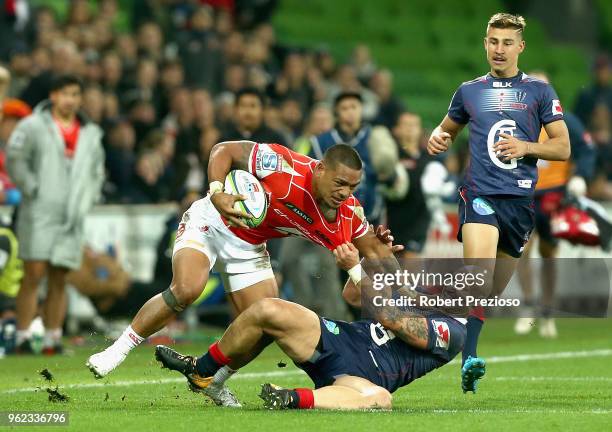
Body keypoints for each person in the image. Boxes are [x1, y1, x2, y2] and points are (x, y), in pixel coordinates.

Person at [87, 140, 398, 406]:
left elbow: (377, 252)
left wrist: (391, 260)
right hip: (212, 221)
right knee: (187, 288)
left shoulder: (345, 214)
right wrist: (217, 191)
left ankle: (214, 381)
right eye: (339, 183)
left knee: (268, 319)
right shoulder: (284, 165)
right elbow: (224, 150)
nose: (344, 192)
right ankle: (118, 348)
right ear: (320, 169)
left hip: (249, 246)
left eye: (352, 187)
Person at [426, 13, 570, 393]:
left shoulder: (540, 92)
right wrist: (436, 139)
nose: (499, 49)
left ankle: (440, 318)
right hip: (480, 195)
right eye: (493, 42)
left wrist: (526, 146)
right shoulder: (469, 90)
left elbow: (562, 146)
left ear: (520, 46)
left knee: (487, 291)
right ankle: (468, 358)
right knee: (479, 276)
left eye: (507, 43)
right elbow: (446, 130)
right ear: (485, 43)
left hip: (520, 203)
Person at [154, 242, 465, 410]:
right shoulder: (418, 295)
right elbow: (352, 295)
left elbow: (392, 319)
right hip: (336, 338)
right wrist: (376, 263)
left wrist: (357, 267)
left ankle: (292, 398)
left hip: (359, 376)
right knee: (268, 309)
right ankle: (204, 370)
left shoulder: (454, 331)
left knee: (380, 399)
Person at [7, 74, 105, 355]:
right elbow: (16, 159)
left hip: (72, 214)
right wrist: (31, 187)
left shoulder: (90, 133)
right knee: (33, 274)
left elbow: (97, 170)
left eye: (75, 94)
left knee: (60, 277)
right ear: (53, 95)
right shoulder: (33, 126)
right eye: (65, 94)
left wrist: (89, 198)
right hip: (39, 210)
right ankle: (23, 337)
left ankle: (52, 338)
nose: (70, 100)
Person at [515, 71, 596, 338]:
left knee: (549, 253)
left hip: (553, 194)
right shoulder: (514, 119)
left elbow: (586, 148)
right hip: (523, 192)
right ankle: (528, 306)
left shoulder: (564, 120)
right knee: (522, 250)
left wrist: (581, 177)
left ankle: (547, 312)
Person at [220, 87, 287, 147]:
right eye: (243, 105)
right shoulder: (225, 141)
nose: (248, 111)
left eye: (253, 106)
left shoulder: (275, 141)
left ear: (263, 110)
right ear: (235, 110)